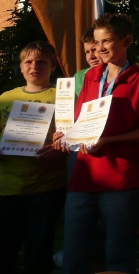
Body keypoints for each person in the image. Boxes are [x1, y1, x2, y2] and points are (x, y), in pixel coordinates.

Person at [55, 13, 139, 274]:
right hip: (83, 176)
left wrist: (108, 140)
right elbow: (78, 121)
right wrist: (64, 135)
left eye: (107, 41)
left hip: (119, 178)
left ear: (126, 41)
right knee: (74, 253)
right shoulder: (91, 76)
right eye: (97, 41)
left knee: (118, 255)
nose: (100, 48)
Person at [0, 41, 66, 274]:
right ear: (20, 67)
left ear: (53, 66)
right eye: (28, 61)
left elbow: (76, 136)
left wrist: (61, 148)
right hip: (6, 188)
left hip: (46, 187)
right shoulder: (5, 98)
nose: (34, 66)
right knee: (4, 252)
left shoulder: (64, 98)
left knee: (39, 254)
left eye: (41, 62)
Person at [74, 27, 101, 96]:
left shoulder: (115, 74)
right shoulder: (78, 77)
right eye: (87, 52)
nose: (91, 56)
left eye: (94, 50)